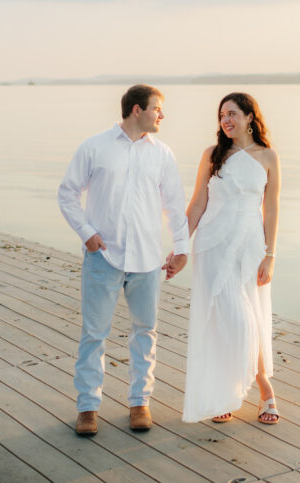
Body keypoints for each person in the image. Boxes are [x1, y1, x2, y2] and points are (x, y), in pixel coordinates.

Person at [57, 84, 190, 437]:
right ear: (136, 110)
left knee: (145, 332)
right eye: (157, 108)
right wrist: (86, 232)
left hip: (147, 260)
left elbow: (175, 205)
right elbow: (67, 193)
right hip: (104, 257)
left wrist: (181, 248)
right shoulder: (95, 147)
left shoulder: (162, 154)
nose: (162, 115)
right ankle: (87, 407)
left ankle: (139, 402)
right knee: (94, 334)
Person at [177, 92, 281, 425]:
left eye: (233, 114)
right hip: (212, 245)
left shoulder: (268, 157)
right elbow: (196, 205)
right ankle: (224, 391)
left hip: (250, 247)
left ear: (251, 117)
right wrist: (180, 245)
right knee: (224, 320)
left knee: (251, 317)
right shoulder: (213, 155)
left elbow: (272, 209)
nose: (227, 120)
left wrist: (271, 255)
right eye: (222, 115)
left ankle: (265, 391)